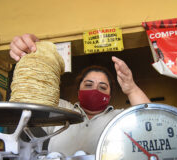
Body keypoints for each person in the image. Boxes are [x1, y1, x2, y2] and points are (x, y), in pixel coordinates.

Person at [10, 34, 150, 156]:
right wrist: (32, 53)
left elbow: (149, 121)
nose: (95, 90)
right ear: (78, 91)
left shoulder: (118, 118)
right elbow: (30, 98)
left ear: (110, 94)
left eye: (102, 87)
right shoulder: (60, 108)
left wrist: (131, 89)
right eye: (88, 85)